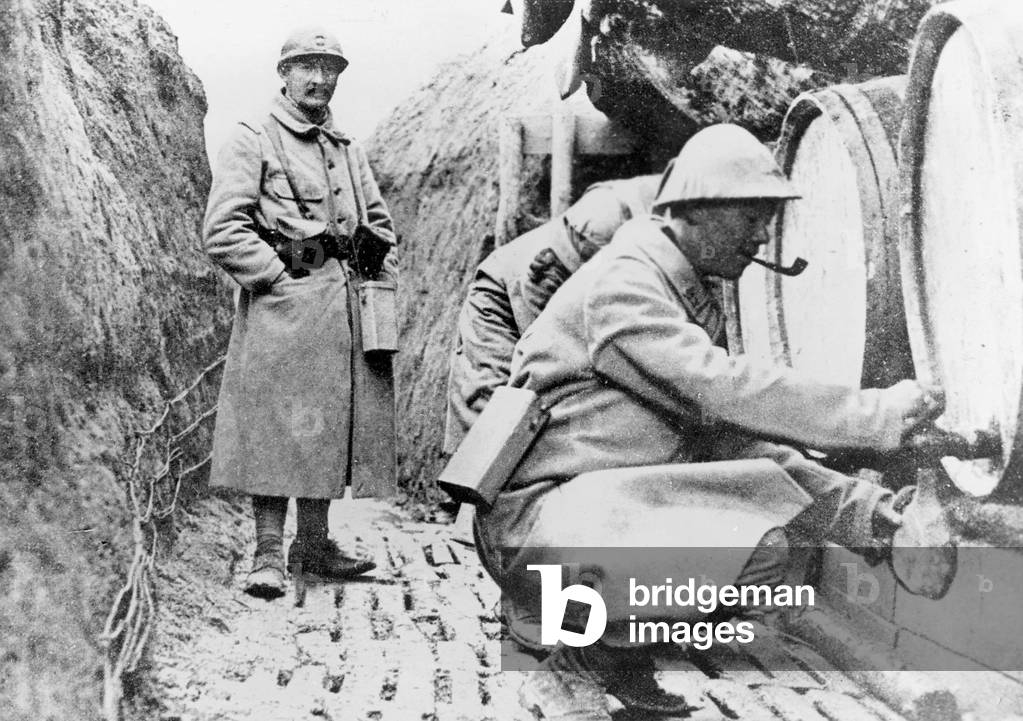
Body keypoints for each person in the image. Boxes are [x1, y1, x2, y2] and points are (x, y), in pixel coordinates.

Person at [471, 124, 944, 718]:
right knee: (744, 549)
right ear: (694, 211)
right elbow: (725, 390)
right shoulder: (625, 285)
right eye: (751, 217)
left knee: (765, 546)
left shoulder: (670, 280)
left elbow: (733, 443)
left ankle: (613, 653)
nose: (763, 234)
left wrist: (866, 513)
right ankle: (572, 635)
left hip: (591, 499)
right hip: (538, 522)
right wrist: (877, 414)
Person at [203, 27, 398, 599]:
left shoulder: (346, 148)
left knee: (326, 429)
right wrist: (280, 275)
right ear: (283, 73)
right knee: (276, 430)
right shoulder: (253, 139)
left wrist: (372, 263)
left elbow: (381, 226)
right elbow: (223, 231)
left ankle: (313, 545)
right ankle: (266, 554)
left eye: (330, 68)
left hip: (343, 314)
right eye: (306, 66)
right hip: (284, 314)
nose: (319, 78)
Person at [443, 175, 659, 454]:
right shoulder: (606, 214)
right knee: (494, 417)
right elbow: (540, 281)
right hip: (507, 299)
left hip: (548, 298)